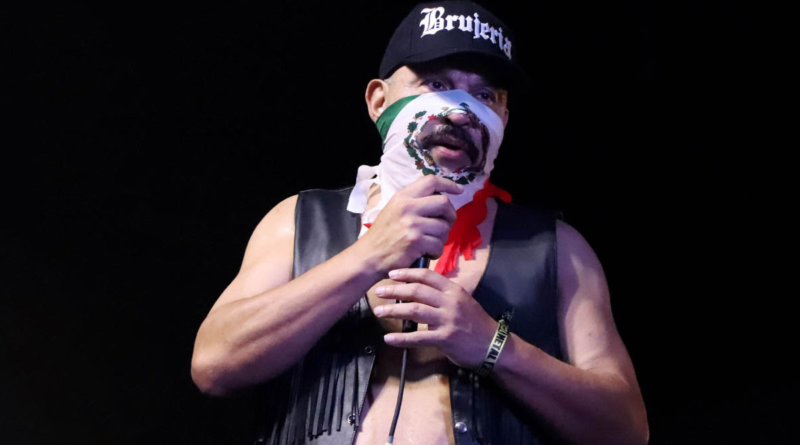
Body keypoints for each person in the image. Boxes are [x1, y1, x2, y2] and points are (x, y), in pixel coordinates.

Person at [191, 2, 649, 445]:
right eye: (436, 83)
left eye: (485, 95)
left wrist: (494, 346)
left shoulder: (556, 249)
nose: (460, 112)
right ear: (378, 100)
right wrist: (368, 257)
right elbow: (213, 366)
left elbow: (627, 428)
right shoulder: (298, 222)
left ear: (504, 118)